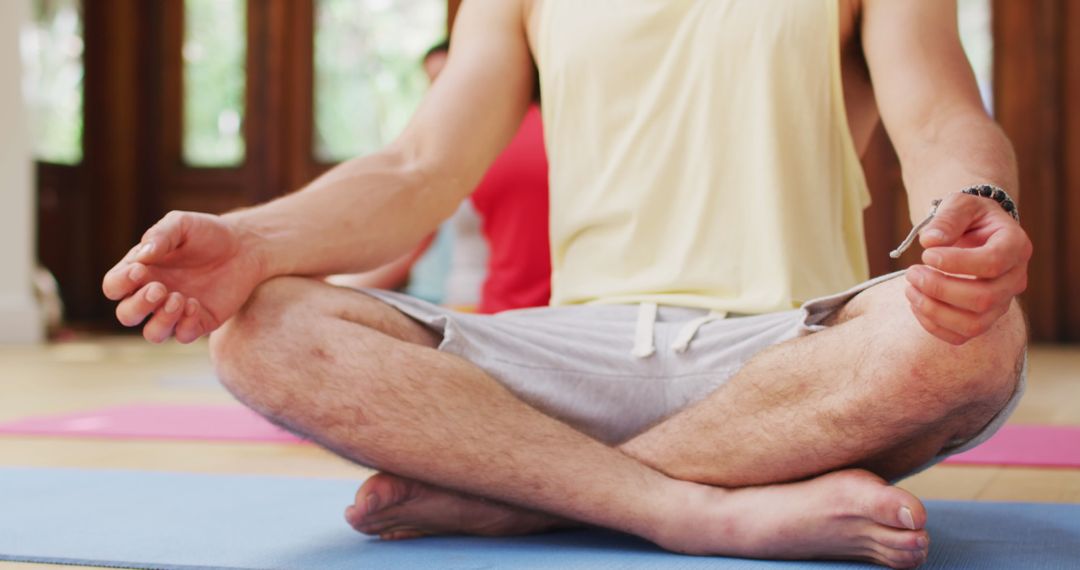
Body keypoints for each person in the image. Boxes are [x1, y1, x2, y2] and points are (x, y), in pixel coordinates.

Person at [102, 1, 1030, 567]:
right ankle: (694, 511)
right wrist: (251, 240)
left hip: (790, 361)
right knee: (260, 328)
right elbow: (418, 166)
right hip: (573, 357)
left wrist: (979, 203)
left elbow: (942, 111)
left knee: (982, 335)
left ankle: (519, 496)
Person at [336, 40, 551, 314]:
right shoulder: (455, 148)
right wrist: (340, 291)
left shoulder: (515, 141)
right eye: (432, 84)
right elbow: (409, 244)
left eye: (447, 81)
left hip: (490, 311)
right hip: (456, 303)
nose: (439, 97)